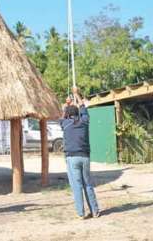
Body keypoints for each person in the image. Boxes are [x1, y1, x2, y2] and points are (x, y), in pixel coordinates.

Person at [60, 87, 100, 219]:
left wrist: (67, 104)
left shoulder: (65, 124)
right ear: (78, 114)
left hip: (72, 158)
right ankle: (95, 211)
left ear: (68, 114)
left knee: (77, 186)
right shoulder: (84, 122)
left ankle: (81, 213)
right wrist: (76, 94)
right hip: (85, 157)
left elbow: (62, 116)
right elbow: (83, 107)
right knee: (87, 184)